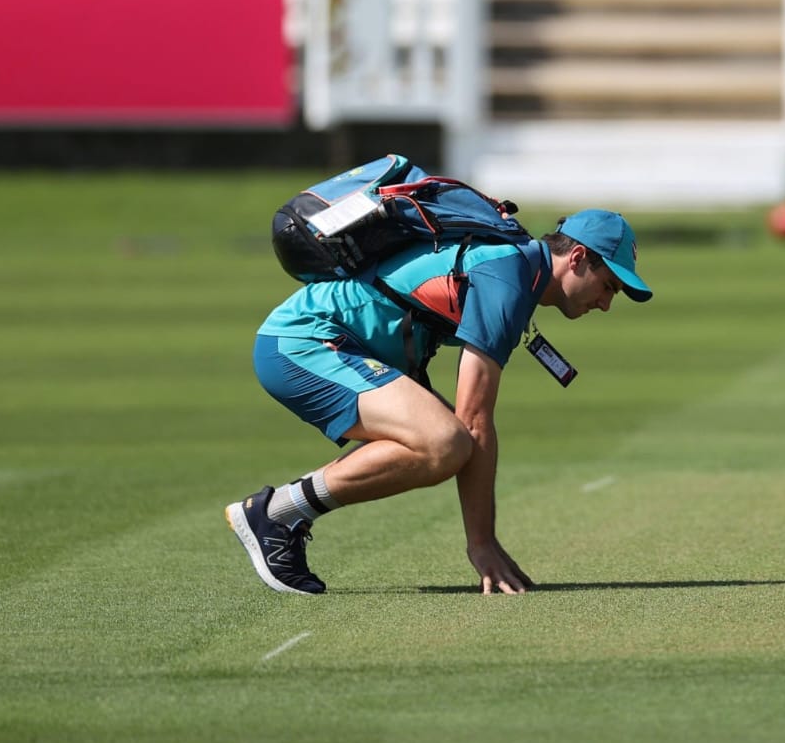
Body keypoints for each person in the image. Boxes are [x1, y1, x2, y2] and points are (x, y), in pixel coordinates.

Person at [224, 206, 652, 596]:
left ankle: (278, 513)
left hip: (326, 344)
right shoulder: (509, 278)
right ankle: (276, 514)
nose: (607, 303)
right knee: (444, 442)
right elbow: (475, 418)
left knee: (447, 443)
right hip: (303, 343)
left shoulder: (517, 268)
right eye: (608, 285)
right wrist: (482, 545)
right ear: (576, 258)